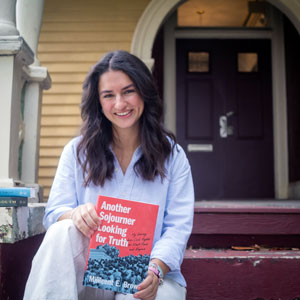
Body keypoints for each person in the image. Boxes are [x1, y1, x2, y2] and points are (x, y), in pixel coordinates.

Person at [23, 50, 194, 300]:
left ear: (143, 92)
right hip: (91, 273)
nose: (119, 104)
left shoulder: (173, 156)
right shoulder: (76, 152)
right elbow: (53, 213)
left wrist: (156, 268)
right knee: (62, 230)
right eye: (108, 95)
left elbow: (177, 227)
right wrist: (75, 213)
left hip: (149, 276)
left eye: (128, 91)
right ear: (98, 102)